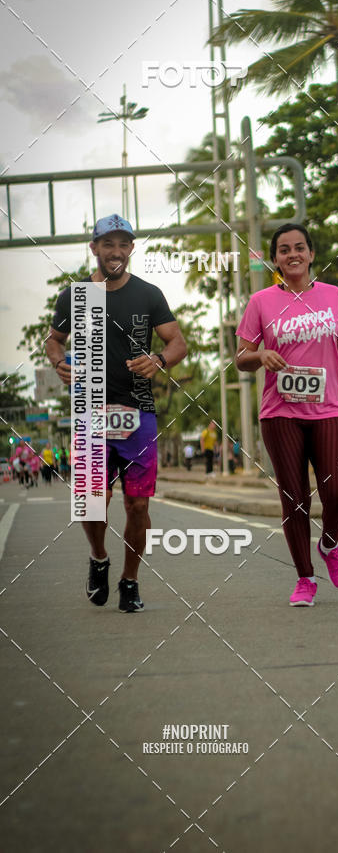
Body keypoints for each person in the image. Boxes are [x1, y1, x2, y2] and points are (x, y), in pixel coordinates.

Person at [45, 214, 187, 612]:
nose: (116, 251)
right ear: (94, 248)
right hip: (91, 411)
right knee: (92, 502)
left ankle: (130, 580)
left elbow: (178, 342)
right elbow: (53, 341)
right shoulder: (75, 296)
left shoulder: (149, 294)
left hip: (138, 413)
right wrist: (59, 363)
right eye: (108, 244)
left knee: (138, 506)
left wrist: (159, 359)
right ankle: (99, 558)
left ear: (131, 249)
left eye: (123, 244)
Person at [236, 223, 338, 606]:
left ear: (312, 254)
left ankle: (330, 545)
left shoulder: (334, 297)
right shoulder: (261, 302)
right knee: (294, 498)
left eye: (299, 248)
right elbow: (241, 359)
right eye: (284, 250)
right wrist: (260, 355)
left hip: (328, 407)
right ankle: (304, 579)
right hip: (280, 413)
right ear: (276, 259)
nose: (293, 254)